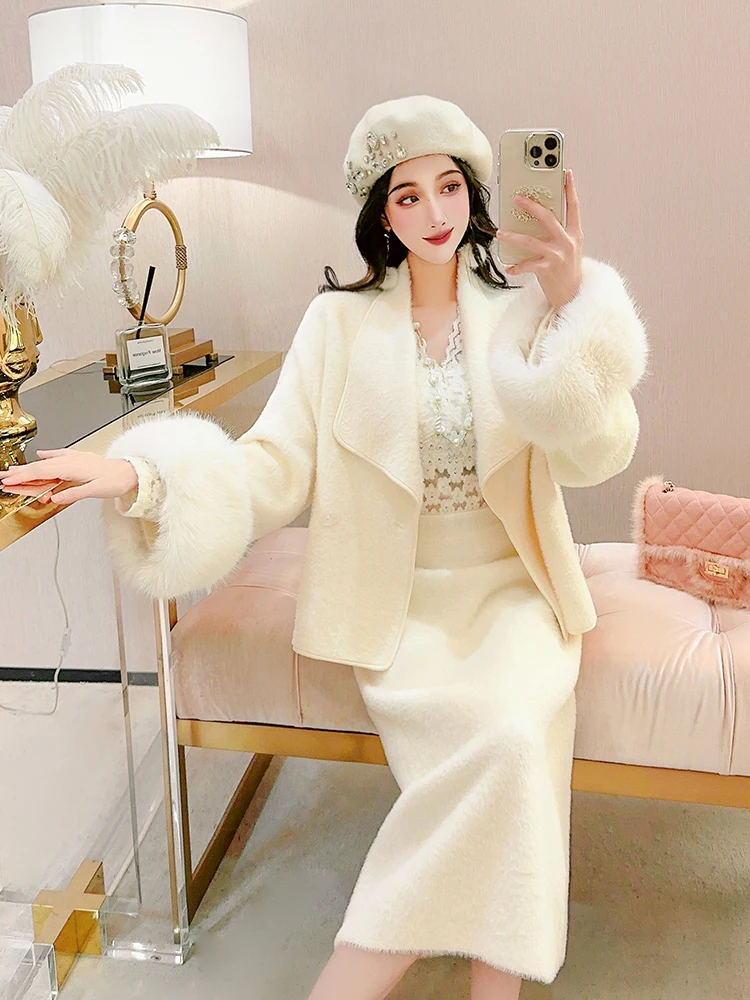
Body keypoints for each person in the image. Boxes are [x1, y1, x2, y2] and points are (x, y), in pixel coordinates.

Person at [0, 95, 649, 999]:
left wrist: (576, 307)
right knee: (507, 761)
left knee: (508, 737)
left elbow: (595, 456)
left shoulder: (524, 311)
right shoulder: (337, 327)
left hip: (515, 596)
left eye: (450, 186)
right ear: (381, 214)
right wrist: (139, 475)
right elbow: (274, 465)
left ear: (476, 193)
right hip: (402, 606)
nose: (434, 212)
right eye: (408, 195)